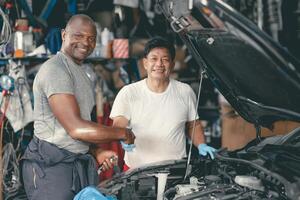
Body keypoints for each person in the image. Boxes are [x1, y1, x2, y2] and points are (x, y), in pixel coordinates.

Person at [21, 14, 135, 200]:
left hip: (74, 165)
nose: (85, 42)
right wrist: (124, 133)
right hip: (51, 168)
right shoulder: (56, 70)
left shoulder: (80, 73)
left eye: (91, 38)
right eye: (78, 36)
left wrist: (96, 152)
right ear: (64, 34)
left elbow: (79, 128)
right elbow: (76, 128)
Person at [110, 37, 216, 170]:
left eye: (165, 59)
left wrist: (201, 144)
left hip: (176, 170)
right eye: (154, 59)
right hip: (137, 171)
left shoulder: (185, 91)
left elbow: (193, 125)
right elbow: (118, 127)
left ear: (172, 65)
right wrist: (123, 138)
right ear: (145, 63)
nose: (159, 64)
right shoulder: (129, 93)